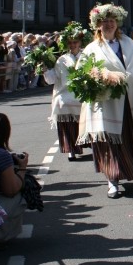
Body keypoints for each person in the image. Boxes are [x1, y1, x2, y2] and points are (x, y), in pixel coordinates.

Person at [77, 3, 133, 199]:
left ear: (117, 23)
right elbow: (82, 71)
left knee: (126, 138)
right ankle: (111, 180)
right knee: (107, 142)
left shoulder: (128, 44)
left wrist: (122, 77)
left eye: (112, 21)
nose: (109, 25)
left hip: (127, 101)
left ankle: (125, 170)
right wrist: (99, 76)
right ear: (98, 25)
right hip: (104, 103)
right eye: (105, 21)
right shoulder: (92, 48)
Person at [44, 22, 90, 161]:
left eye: (75, 42)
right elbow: (52, 80)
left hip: (84, 93)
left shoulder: (87, 56)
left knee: (87, 106)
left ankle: (90, 143)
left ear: (80, 42)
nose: (73, 45)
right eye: (70, 43)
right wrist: (45, 69)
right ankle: (71, 149)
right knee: (63, 104)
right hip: (65, 93)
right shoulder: (61, 60)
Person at [0, 114, 28, 245]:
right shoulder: (1, 155)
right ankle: (1, 234)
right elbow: (11, 190)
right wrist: (22, 168)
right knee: (20, 195)